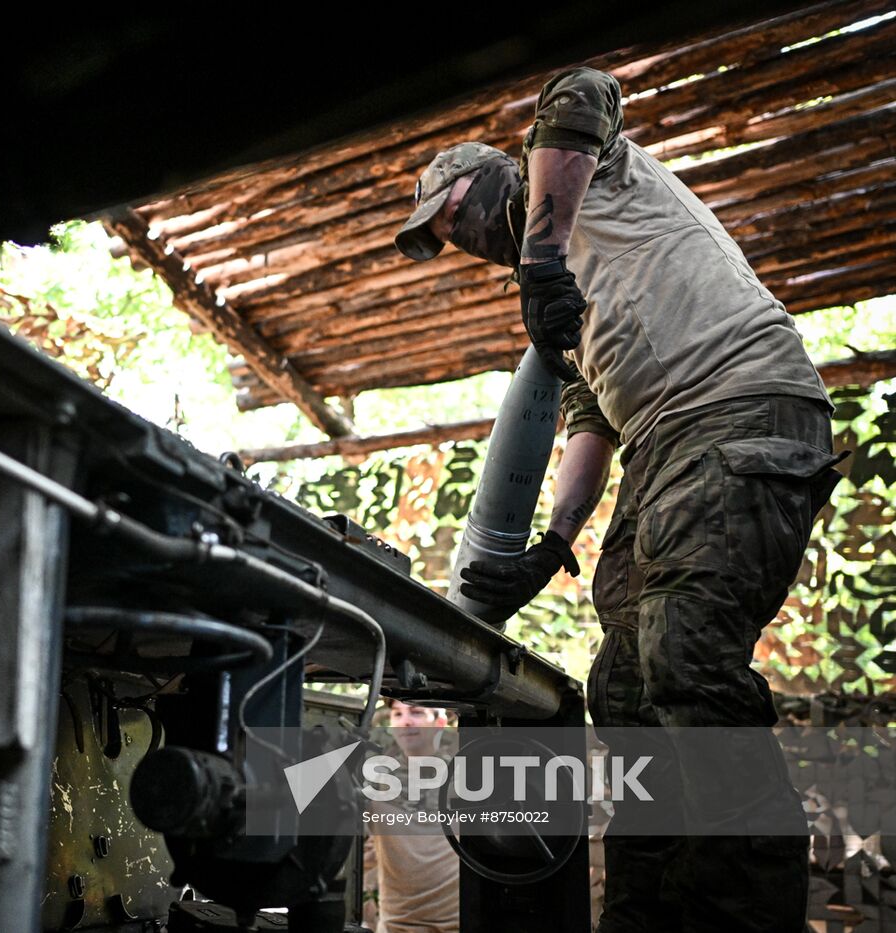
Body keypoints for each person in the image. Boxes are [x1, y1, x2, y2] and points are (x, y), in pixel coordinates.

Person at [394, 67, 847, 933]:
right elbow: (590, 422)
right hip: (663, 443)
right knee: (627, 684)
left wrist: (537, 253)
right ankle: (647, 910)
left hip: (741, 402)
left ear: (496, 174)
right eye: (443, 235)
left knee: (685, 653)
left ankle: (744, 907)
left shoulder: (580, 173)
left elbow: (582, 89)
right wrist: (553, 537)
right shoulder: (559, 308)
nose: (457, 235)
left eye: (452, 212)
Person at [363, 700, 460, 933]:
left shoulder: (465, 779)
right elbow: (365, 855)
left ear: (439, 723)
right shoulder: (378, 783)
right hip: (396, 926)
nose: (405, 721)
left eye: (416, 713)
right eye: (397, 714)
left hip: (456, 925)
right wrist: (366, 911)